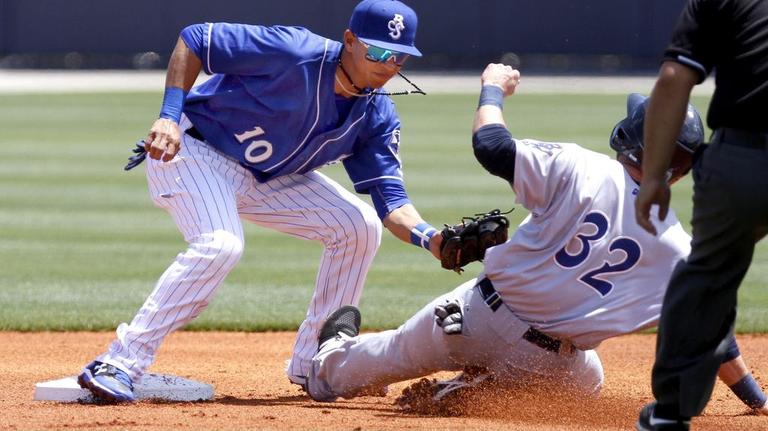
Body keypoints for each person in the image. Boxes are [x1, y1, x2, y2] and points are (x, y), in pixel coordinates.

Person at [304, 64, 768, 418]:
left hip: (476, 318)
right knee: (585, 383)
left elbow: (492, 146)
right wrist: (754, 397)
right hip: (548, 364)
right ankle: (470, 396)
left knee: (373, 362)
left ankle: (329, 361)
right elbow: (714, 338)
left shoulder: (582, 166)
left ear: (630, 136)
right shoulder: (678, 250)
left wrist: (492, 88)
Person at [77, 0, 447, 403]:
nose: (387, 64)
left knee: (358, 226)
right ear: (349, 41)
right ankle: (119, 362)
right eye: (377, 51)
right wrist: (168, 115)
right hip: (195, 151)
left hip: (269, 178)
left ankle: (318, 363)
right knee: (220, 245)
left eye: (398, 57)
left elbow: (392, 202)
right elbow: (196, 39)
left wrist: (431, 239)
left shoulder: (377, 115)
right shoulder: (294, 51)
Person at [633, 0, 768, 429]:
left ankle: (671, 415)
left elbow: (675, 78)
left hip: (748, 157)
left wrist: (654, 175)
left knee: (707, 278)